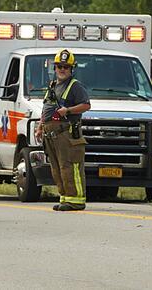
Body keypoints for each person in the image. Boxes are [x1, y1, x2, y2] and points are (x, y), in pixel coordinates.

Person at [35, 49, 91, 211]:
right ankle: (65, 198)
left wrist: (68, 110)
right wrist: (40, 128)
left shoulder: (75, 86)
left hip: (66, 133)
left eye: (66, 67)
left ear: (72, 69)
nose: (62, 69)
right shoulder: (53, 85)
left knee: (70, 166)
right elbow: (46, 108)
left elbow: (86, 105)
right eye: (59, 66)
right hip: (50, 134)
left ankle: (76, 200)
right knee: (57, 167)